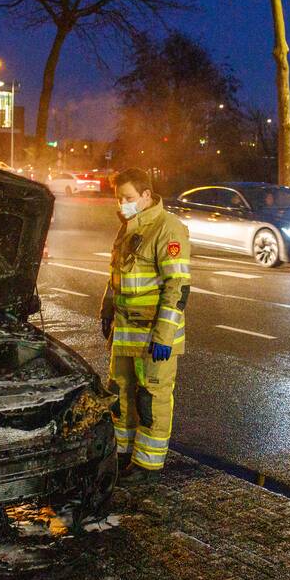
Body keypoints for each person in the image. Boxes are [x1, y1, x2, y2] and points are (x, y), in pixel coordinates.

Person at [100, 168, 191, 485]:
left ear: (147, 195)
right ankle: (122, 454)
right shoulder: (130, 226)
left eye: (128, 198)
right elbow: (118, 273)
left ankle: (147, 465)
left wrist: (165, 335)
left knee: (151, 398)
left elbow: (176, 287)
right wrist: (108, 304)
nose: (122, 204)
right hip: (126, 332)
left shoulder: (169, 230)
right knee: (120, 394)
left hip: (154, 336)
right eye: (119, 198)